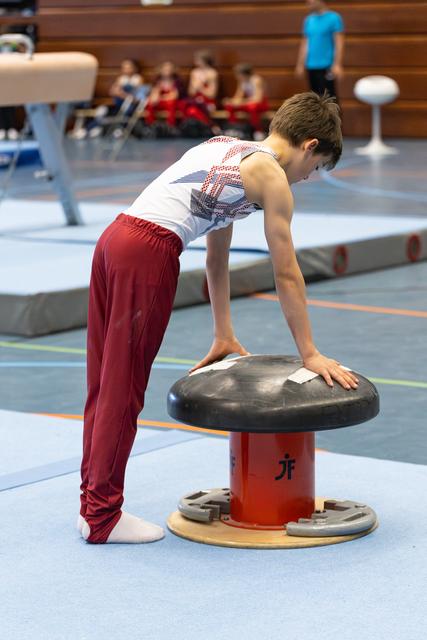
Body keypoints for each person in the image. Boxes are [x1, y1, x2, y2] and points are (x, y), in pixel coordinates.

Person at [78, 91, 358, 545]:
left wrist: (223, 333)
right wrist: (310, 353)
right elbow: (286, 272)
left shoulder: (227, 148)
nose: (309, 177)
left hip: (114, 240)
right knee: (123, 387)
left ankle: (92, 504)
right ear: (309, 145)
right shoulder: (272, 178)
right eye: (317, 166)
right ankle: (102, 516)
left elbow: (216, 256)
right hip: (149, 251)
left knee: (103, 381)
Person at [72, 58, 144, 139]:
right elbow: (113, 91)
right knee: (102, 111)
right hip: (118, 105)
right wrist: (118, 92)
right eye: (123, 67)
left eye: (128, 67)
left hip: (130, 107)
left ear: (134, 68)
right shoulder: (121, 79)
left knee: (125, 112)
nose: (125, 69)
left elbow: (136, 98)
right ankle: (87, 129)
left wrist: (122, 94)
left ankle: (121, 129)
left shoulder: (137, 79)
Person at [295, 0, 344, 100]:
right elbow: (305, 44)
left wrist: (337, 64)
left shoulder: (334, 18)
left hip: (326, 66)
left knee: (330, 99)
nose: (308, 3)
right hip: (311, 66)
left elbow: (339, 43)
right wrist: (300, 64)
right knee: (315, 99)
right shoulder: (308, 20)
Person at [223, 63, 269, 140]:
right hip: (248, 103)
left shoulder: (256, 80)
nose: (236, 76)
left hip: (260, 105)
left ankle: (258, 131)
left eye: (237, 74)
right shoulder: (242, 81)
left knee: (252, 107)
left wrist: (241, 102)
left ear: (243, 74)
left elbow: (258, 99)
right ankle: (234, 128)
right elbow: (238, 97)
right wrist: (231, 101)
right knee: (229, 106)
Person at [180, 49, 219, 132]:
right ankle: (209, 126)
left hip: (208, 101)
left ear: (204, 60)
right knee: (189, 109)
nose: (195, 61)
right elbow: (191, 92)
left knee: (193, 110)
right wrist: (195, 88)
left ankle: (209, 126)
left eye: (197, 59)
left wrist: (200, 87)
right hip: (196, 100)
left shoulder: (212, 73)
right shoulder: (194, 72)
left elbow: (212, 94)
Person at [145, 61, 186, 132]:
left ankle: (171, 126)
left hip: (174, 103)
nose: (167, 71)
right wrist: (155, 96)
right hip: (162, 102)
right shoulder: (157, 81)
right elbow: (154, 96)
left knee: (171, 103)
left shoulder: (177, 81)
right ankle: (150, 125)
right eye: (165, 69)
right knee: (150, 103)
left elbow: (174, 96)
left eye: (169, 69)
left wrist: (162, 97)